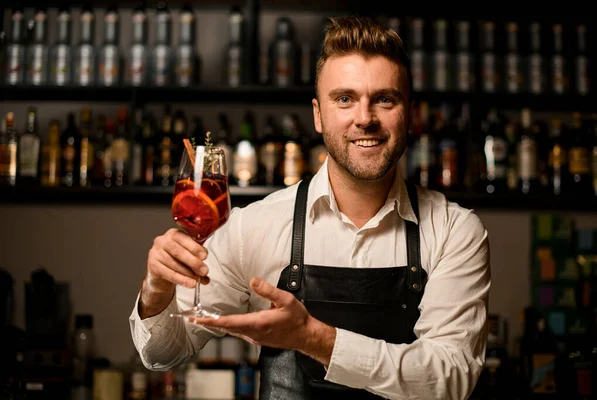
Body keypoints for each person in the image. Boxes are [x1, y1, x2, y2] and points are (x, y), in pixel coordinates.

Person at [129, 15, 491, 400]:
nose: (364, 119)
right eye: (345, 99)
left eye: (385, 99)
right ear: (318, 115)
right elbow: (162, 354)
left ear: (410, 114)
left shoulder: (455, 231)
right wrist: (156, 291)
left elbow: (450, 379)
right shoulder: (253, 227)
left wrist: (314, 339)